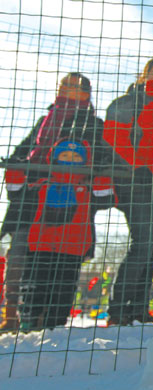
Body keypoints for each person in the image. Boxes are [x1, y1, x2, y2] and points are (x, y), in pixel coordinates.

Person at [1, 72, 107, 332]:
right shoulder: (45, 119)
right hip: (32, 194)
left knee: (61, 264)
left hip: (71, 199)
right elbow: (22, 151)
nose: (66, 90)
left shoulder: (92, 123)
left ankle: (50, 319)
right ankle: (13, 313)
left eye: (73, 86)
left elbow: (98, 155)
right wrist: (21, 167)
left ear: (86, 94)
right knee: (20, 253)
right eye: (64, 85)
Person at [102, 57, 153, 325]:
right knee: (143, 244)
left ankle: (138, 308)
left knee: (150, 247)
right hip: (136, 184)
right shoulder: (127, 103)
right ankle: (118, 309)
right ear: (143, 76)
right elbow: (112, 139)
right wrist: (137, 168)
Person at [18, 139, 116, 331]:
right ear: (54, 158)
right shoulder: (41, 184)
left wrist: (102, 175)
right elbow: (16, 193)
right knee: (34, 285)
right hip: (41, 245)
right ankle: (29, 320)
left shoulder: (87, 186)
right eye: (64, 156)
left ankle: (55, 324)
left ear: (84, 162)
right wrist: (15, 170)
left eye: (76, 157)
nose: (70, 160)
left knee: (64, 288)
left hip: (73, 248)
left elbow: (106, 199)